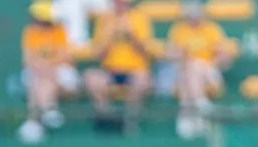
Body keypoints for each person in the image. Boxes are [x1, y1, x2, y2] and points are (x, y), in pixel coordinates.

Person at [84, 0, 154, 132]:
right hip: (110, 69)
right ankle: (108, 118)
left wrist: (132, 35)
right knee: (92, 78)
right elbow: (98, 54)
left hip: (134, 69)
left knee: (142, 80)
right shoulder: (104, 19)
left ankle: (131, 120)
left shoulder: (140, 18)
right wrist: (111, 36)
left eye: (123, 3)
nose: (120, 6)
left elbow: (147, 52)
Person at [167, 1, 233, 139]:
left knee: (193, 69)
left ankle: (185, 121)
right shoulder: (179, 30)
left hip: (209, 72)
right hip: (186, 72)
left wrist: (208, 64)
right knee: (189, 72)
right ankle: (202, 107)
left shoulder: (212, 29)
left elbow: (225, 57)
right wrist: (180, 54)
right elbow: (170, 54)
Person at [18, 1, 79, 145]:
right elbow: (28, 59)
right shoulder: (30, 32)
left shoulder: (59, 30)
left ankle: (33, 122)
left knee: (39, 80)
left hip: (60, 74)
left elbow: (64, 57)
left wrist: (44, 66)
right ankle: (50, 110)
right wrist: (43, 66)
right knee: (37, 79)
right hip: (40, 74)